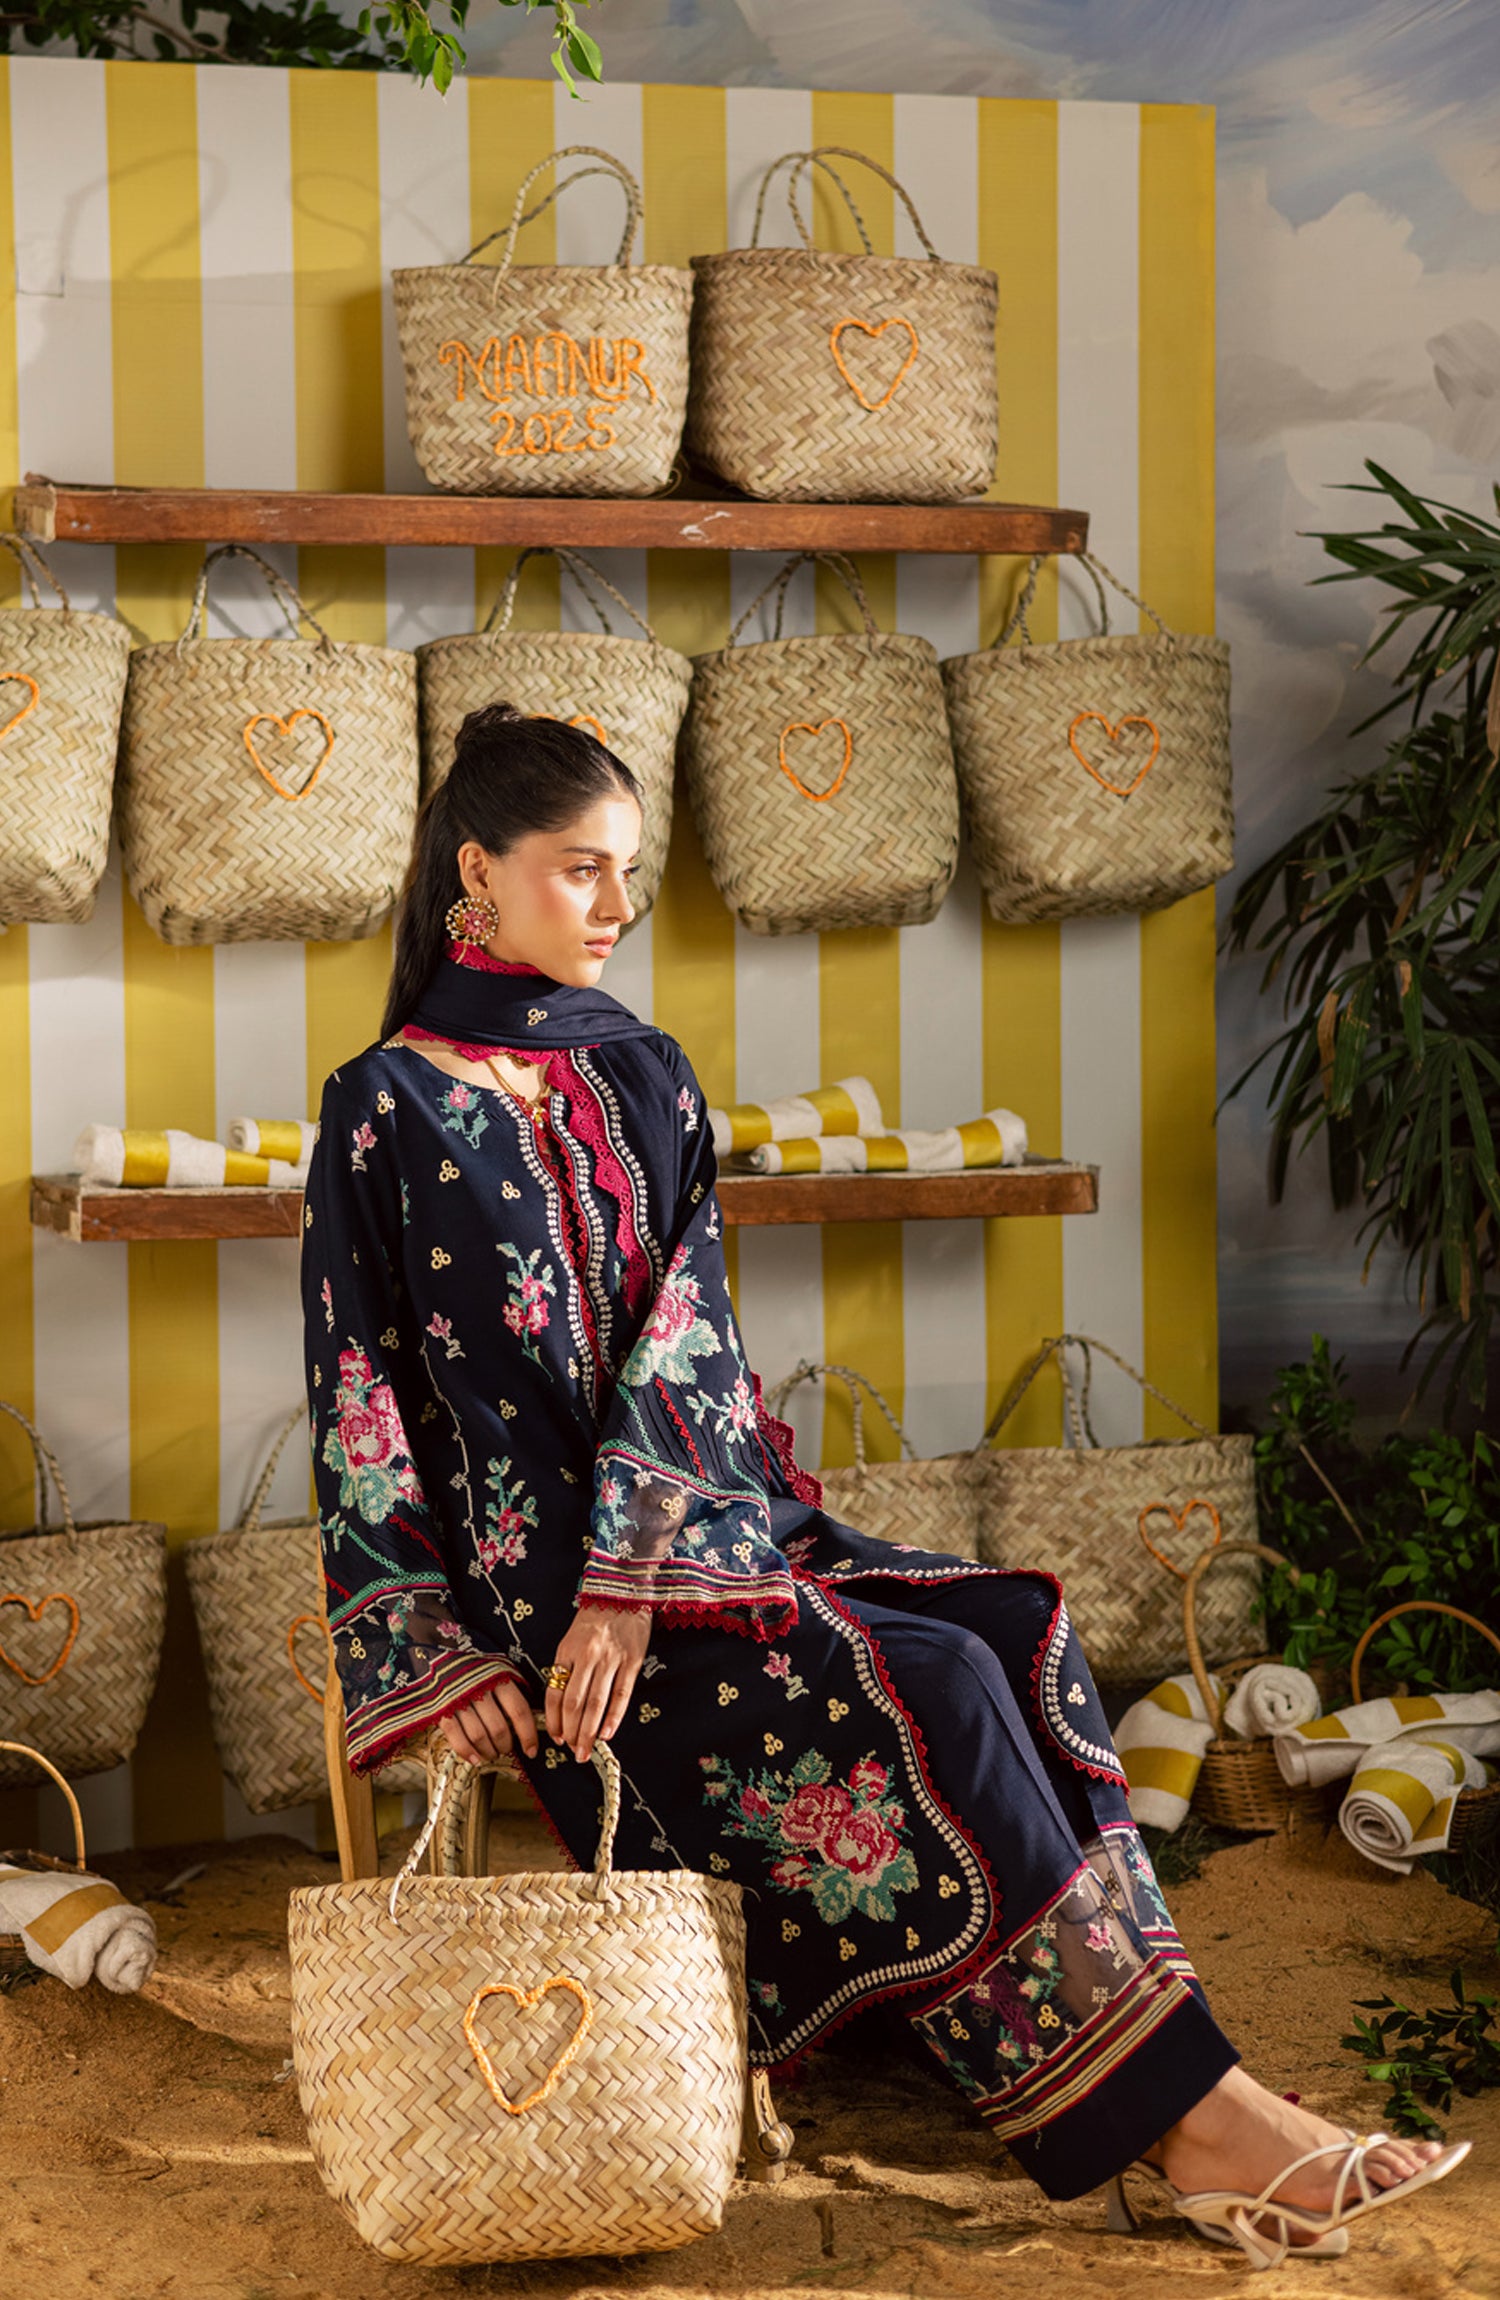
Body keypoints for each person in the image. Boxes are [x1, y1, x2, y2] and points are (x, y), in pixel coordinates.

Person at [302, 703, 1467, 2270]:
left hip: (691, 1544)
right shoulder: (382, 1106)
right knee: (936, 1687)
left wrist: (643, 1578)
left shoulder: (643, 1073)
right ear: (477, 873)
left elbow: (691, 1338)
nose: (618, 905)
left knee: (1015, 1632)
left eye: (630, 870)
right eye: (582, 869)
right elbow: (359, 1394)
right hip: (536, 1606)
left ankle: (1180, 2087)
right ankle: (1202, 2128)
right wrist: (441, 1655)